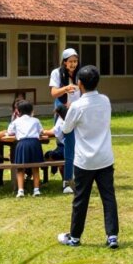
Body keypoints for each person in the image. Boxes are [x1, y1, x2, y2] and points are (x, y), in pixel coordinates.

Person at [57, 65, 119, 250]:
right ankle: (112, 236)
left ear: (80, 83)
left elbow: (66, 128)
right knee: (108, 197)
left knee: (81, 199)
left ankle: (75, 237)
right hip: (105, 157)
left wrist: (64, 111)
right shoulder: (105, 100)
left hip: (84, 160)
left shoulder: (78, 105)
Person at [50, 48, 80, 194]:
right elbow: (53, 93)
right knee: (66, 146)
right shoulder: (57, 73)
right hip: (63, 113)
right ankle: (67, 180)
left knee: (78, 147)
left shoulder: (81, 73)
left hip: (78, 113)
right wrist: (65, 88)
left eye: (75, 61)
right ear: (64, 62)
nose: (73, 64)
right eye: (71, 62)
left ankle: (75, 180)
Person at [7, 100, 44, 198]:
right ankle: (36, 190)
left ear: (18, 111)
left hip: (22, 144)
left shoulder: (16, 121)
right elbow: (41, 131)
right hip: (34, 143)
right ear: (32, 110)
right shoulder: (35, 120)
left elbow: (10, 132)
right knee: (35, 167)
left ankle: (20, 190)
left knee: (20, 167)